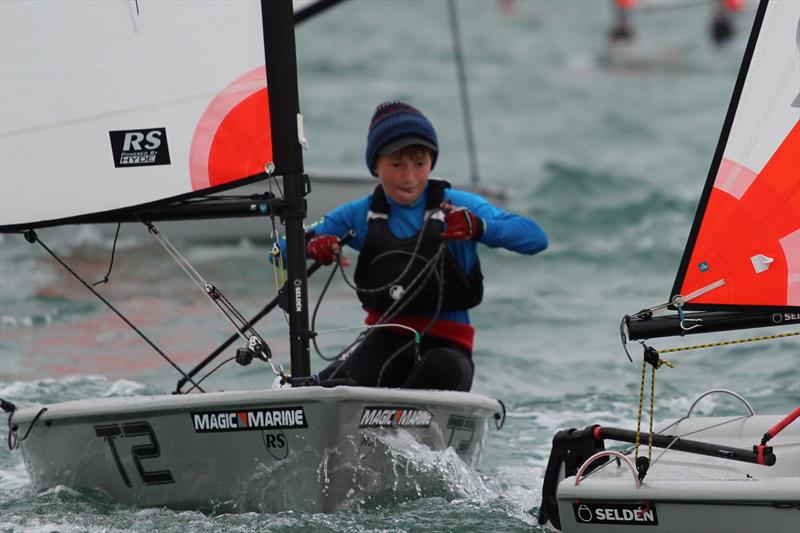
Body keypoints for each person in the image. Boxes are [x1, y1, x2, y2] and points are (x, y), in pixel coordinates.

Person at [283, 100, 547, 392]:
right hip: (383, 342)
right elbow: (279, 251)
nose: (409, 177)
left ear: (431, 162)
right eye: (396, 164)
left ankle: (397, 430)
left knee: (440, 368)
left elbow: (536, 238)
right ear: (375, 165)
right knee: (319, 392)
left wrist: (480, 227)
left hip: (449, 347)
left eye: (419, 164)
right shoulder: (358, 214)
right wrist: (312, 247)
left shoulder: (458, 206)